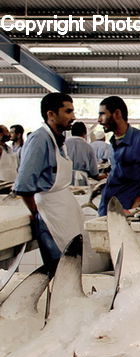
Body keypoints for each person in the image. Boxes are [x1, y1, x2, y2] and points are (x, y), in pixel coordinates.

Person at [13, 92, 83, 271]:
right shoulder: (39, 139)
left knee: (73, 265)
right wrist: (36, 211)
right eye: (68, 112)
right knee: (60, 270)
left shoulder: (58, 139)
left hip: (63, 210)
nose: (73, 117)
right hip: (50, 213)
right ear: (51, 114)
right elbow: (24, 184)